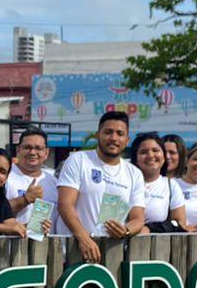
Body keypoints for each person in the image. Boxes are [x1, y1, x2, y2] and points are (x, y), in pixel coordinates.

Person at [57, 110, 147, 262]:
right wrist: (84, 239)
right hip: (74, 252)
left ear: (127, 140)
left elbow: (138, 218)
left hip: (113, 255)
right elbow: (65, 204)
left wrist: (125, 230)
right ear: (98, 135)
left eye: (119, 133)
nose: (113, 138)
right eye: (108, 132)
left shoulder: (134, 173)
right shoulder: (78, 160)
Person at [6, 127, 61, 233]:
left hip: (47, 247)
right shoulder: (5, 176)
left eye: (38, 148)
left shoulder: (55, 183)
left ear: (46, 153)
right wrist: (24, 199)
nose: (32, 152)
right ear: (18, 150)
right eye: (27, 147)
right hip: (13, 247)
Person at [131, 132, 187, 232]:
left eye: (156, 150)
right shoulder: (125, 182)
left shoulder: (171, 186)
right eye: (143, 152)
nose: (150, 155)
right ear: (135, 159)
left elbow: (180, 223)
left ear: (164, 157)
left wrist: (150, 229)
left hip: (157, 245)